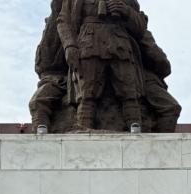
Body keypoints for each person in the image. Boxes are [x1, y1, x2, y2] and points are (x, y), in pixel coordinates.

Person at [57, 0, 147, 130]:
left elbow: (141, 28)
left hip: (120, 46)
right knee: (87, 93)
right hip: (89, 44)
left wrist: (126, 11)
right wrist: (69, 45)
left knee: (129, 92)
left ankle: (135, 129)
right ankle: (84, 129)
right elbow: (63, 20)